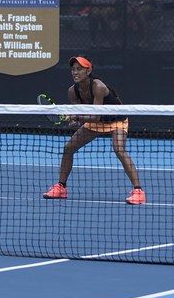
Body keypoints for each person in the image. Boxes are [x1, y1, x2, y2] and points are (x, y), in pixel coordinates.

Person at [43, 56, 144, 205]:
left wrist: (76, 117)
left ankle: (138, 191)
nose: (75, 72)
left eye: (79, 69)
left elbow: (95, 117)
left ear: (88, 71)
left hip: (116, 120)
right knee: (68, 148)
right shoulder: (73, 91)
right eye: (73, 69)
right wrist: (72, 121)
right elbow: (80, 119)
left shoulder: (98, 86)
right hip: (94, 121)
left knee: (119, 149)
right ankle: (61, 187)